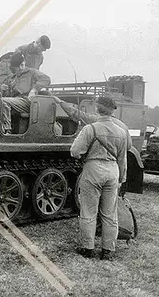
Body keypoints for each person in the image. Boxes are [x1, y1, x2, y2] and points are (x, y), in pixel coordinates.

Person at [70, 96, 128, 261]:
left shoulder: (90, 129)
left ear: (97, 109)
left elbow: (75, 152)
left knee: (88, 211)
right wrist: (121, 178)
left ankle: (87, 248)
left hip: (93, 169)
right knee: (110, 213)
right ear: (112, 111)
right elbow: (123, 159)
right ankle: (108, 250)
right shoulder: (121, 132)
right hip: (113, 171)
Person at [52, 95, 132, 150]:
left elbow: (76, 114)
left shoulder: (96, 120)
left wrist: (60, 102)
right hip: (114, 165)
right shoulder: (123, 126)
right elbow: (128, 146)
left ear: (98, 109)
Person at [0, 53, 51, 133]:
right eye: (18, 67)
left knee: (2, 101)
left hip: (27, 101)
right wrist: (4, 89)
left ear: (24, 62)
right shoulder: (12, 78)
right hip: (16, 102)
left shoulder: (32, 73)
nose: (21, 68)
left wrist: (34, 89)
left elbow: (46, 79)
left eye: (22, 65)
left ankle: (7, 130)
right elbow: (8, 96)